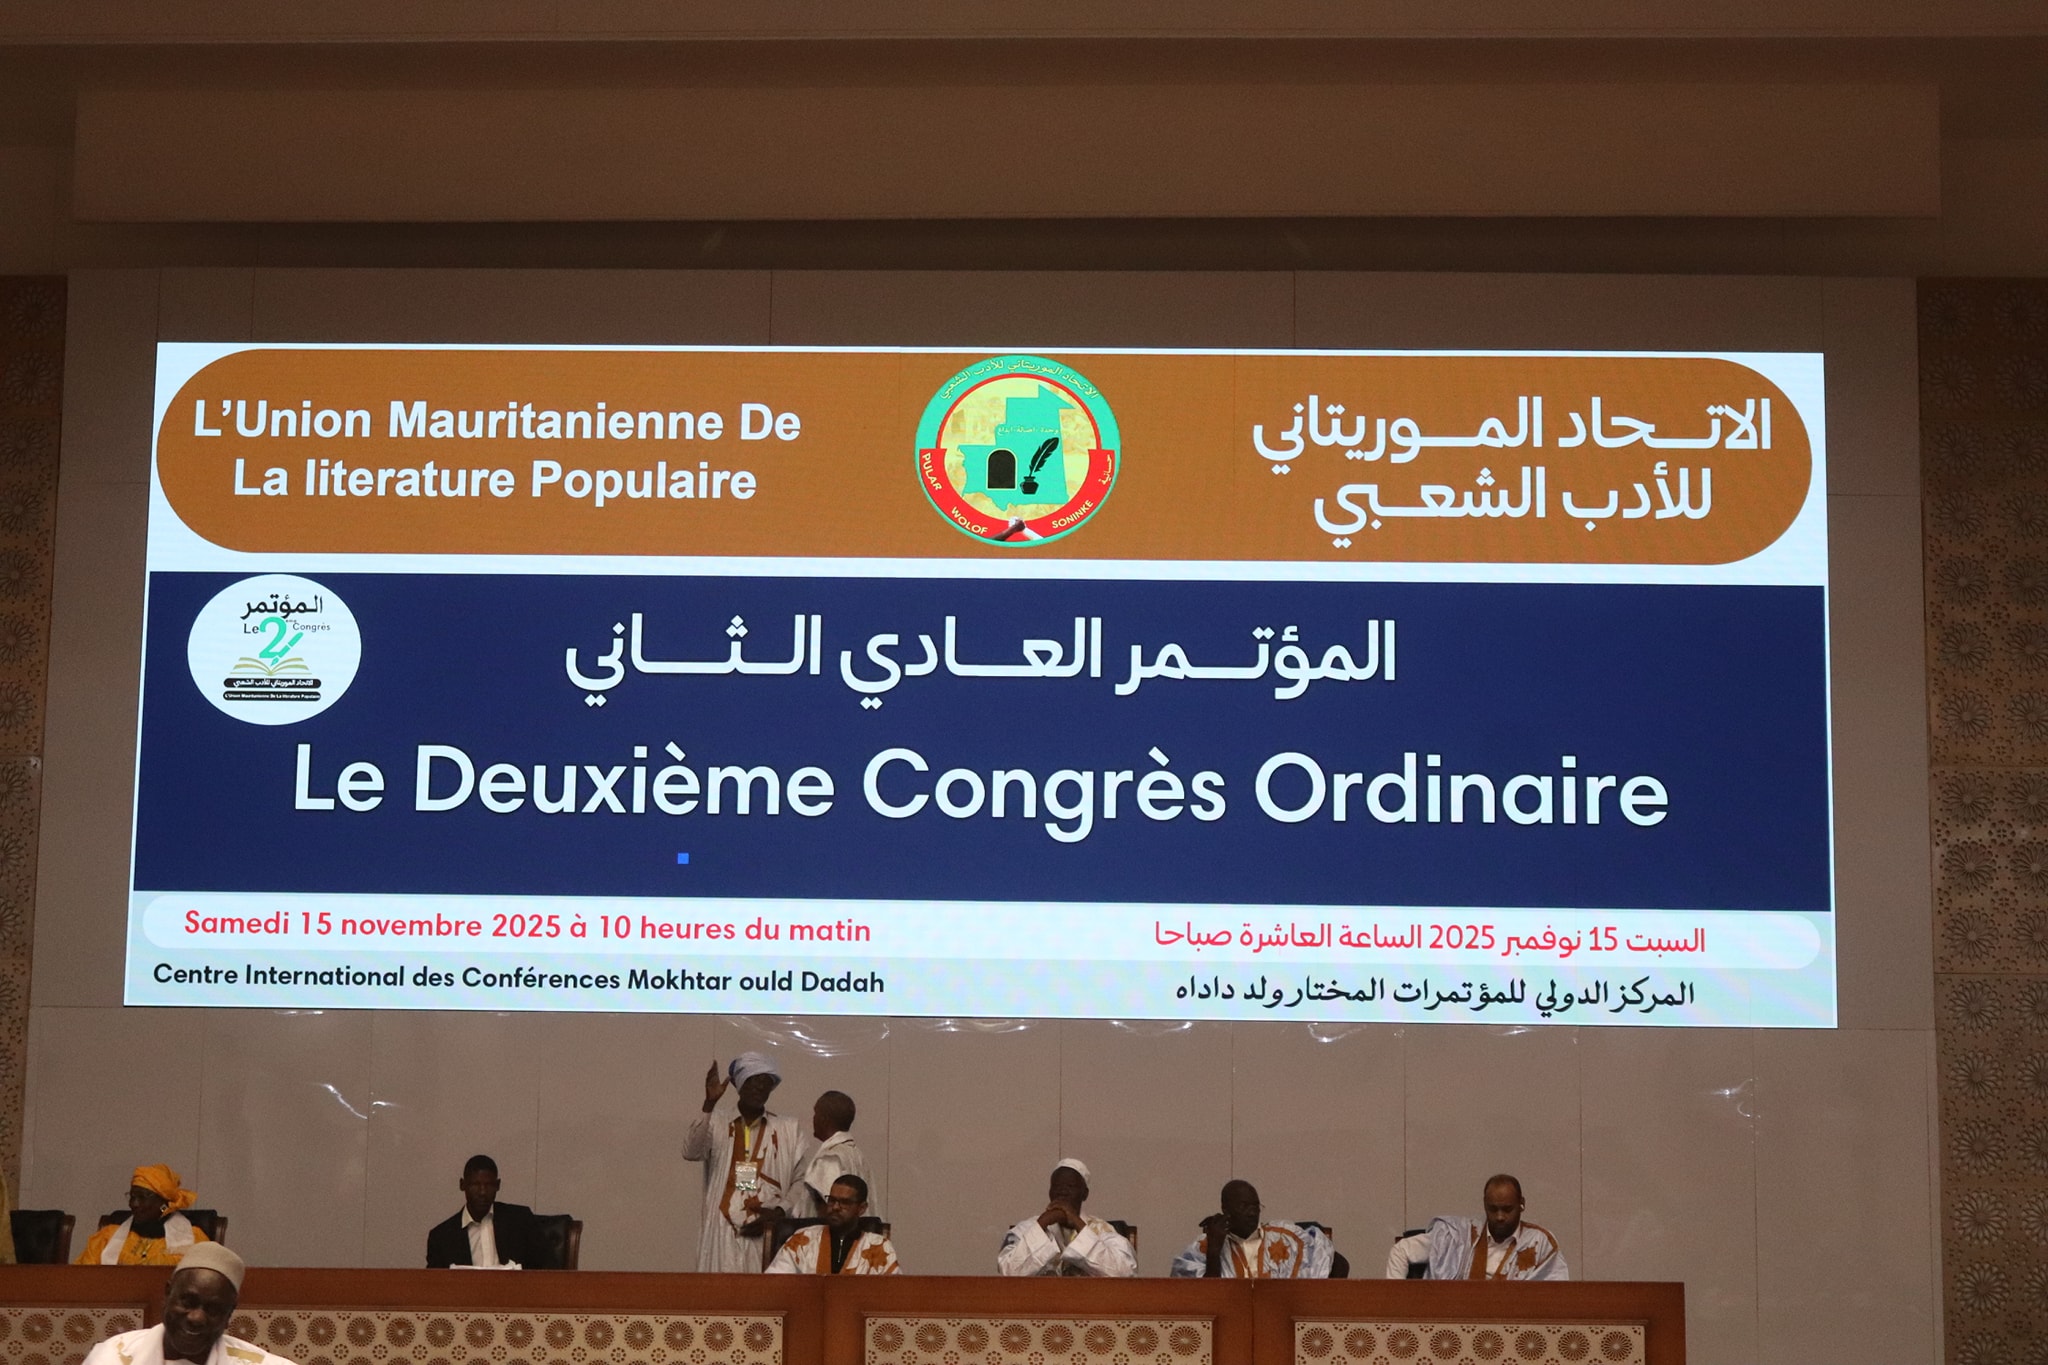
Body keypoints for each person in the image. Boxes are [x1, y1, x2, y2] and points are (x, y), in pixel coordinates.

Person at [681, 1052, 804, 1272]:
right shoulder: (716, 1122)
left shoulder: (788, 1129)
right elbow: (691, 1152)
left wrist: (778, 1213)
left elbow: (801, 1181)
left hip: (766, 1230)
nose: (759, 1088)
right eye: (753, 1081)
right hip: (721, 1232)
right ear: (739, 1085)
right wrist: (709, 1104)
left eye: (765, 1082)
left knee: (762, 1290)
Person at [81, 1244, 291, 1365]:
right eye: (188, 1302)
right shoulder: (113, 1358)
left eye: (213, 1309)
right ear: (167, 1294)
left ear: (229, 1315)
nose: (196, 1317)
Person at [1384, 1174, 1569, 1280]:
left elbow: (1559, 1293)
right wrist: (1396, 1304)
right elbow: (1401, 1251)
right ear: (1484, 1204)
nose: (1500, 1217)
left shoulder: (1540, 1243)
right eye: (1493, 1209)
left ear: (1522, 1204)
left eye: (1507, 1209)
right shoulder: (1456, 1235)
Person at [996, 1159, 1136, 1277]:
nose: (1062, 1191)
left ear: (1084, 1194)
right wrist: (1043, 1223)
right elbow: (1008, 1272)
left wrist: (1076, 1222)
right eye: (1056, 1186)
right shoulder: (1027, 1228)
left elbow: (1124, 1273)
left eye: (1070, 1186)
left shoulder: (1103, 1230)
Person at [1169, 1179, 1332, 1278]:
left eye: (1256, 1206)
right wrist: (1214, 1251)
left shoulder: (1285, 1238)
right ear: (1225, 1209)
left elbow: (1334, 1259)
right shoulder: (1203, 1247)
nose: (1252, 1213)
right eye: (1244, 1206)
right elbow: (1201, 1298)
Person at [74, 1164, 213, 1266]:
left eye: (142, 1197)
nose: (133, 1204)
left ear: (163, 1202)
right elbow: (82, 1278)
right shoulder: (107, 1237)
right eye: (132, 1197)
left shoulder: (194, 1240)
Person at [425, 1155, 547, 1268]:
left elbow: (548, 1269)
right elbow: (433, 1281)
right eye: (475, 1185)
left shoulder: (520, 1220)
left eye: (489, 1185)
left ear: (498, 1185)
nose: (482, 1192)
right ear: (462, 1185)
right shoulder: (442, 1237)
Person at [765, 1175, 900, 1275]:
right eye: (832, 1200)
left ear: (862, 1208)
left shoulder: (879, 1247)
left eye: (844, 1202)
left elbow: (892, 1294)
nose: (835, 1207)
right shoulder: (802, 1240)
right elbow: (774, 1285)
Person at [787, 1091, 877, 1219]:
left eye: (815, 1114)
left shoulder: (830, 1159)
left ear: (824, 1119)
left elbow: (832, 1212)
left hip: (826, 1231)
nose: (813, 1119)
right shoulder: (857, 1156)